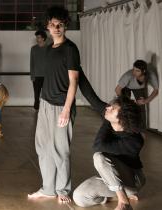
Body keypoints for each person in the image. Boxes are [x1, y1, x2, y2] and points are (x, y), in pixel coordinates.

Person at [28, 6, 80, 203]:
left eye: (60, 24)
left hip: (61, 106)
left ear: (65, 26)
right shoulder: (49, 49)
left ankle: (63, 190)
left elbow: (74, 81)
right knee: (43, 147)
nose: (56, 28)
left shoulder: (70, 49)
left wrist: (66, 109)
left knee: (60, 149)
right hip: (45, 104)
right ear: (48, 27)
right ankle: (48, 188)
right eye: (52, 25)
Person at [73, 70, 145, 210]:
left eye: (112, 109)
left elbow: (98, 145)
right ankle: (114, 196)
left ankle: (124, 201)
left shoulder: (134, 141)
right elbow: (90, 95)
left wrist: (107, 121)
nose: (108, 108)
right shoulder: (110, 116)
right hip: (112, 178)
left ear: (121, 119)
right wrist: (77, 68)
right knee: (79, 198)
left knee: (99, 157)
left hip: (132, 181)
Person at [115, 60, 159, 129]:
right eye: (133, 69)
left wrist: (145, 101)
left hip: (139, 88)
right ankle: (123, 126)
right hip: (126, 87)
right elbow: (117, 89)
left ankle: (142, 130)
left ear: (144, 71)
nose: (134, 72)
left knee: (141, 106)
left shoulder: (151, 75)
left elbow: (156, 91)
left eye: (137, 71)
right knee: (125, 106)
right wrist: (123, 101)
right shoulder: (128, 76)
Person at [30, 30, 47, 110]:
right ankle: (36, 109)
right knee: (36, 94)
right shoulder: (33, 49)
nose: (37, 39)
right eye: (36, 37)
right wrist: (32, 76)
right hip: (36, 76)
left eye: (39, 37)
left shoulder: (49, 48)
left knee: (46, 94)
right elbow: (32, 63)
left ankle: (45, 108)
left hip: (47, 76)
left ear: (43, 38)